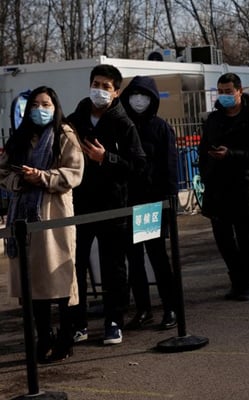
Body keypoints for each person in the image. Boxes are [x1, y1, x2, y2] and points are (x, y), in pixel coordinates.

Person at [0, 86, 84, 362]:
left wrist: (44, 177)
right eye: (35, 104)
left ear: (55, 105)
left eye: (45, 103)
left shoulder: (65, 134)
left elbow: (74, 173)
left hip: (54, 214)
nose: (39, 109)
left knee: (58, 279)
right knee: (32, 282)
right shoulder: (20, 138)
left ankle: (65, 336)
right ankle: (43, 336)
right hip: (23, 216)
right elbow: (3, 172)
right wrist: (21, 179)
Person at [68, 64, 146, 346]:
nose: (99, 90)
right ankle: (76, 322)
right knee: (75, 265)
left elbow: (138, 167)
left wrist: (107, 159)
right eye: (95, 84)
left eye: (105, 86)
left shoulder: (124, 124)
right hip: (79, 205)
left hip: (114, 206)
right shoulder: (74, 121)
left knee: (113, 266)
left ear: (116, 92)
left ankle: (114, 321)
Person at [198, 73, 249, 301]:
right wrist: (206, 173)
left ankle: (247, 283)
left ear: (239, 90)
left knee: (245, 239)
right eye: (221, 91)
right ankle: (236, 280)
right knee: (223, 239)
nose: (224, 95)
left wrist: (231, 155)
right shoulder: (214, 120)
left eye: (228, 91)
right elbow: (203, 150)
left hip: (242, 185)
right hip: (217, 187)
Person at [120, 76, 178, 330]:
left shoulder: (160, 128)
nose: (139, 100)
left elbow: (170, 166)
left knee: (157, 258)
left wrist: (169, 200)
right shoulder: (121, 126)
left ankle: (171, 307)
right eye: (134, 95)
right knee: (134, 261)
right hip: (126, 202)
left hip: (151, 203)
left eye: (144, 95)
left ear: (152, 99)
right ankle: (143, 308)